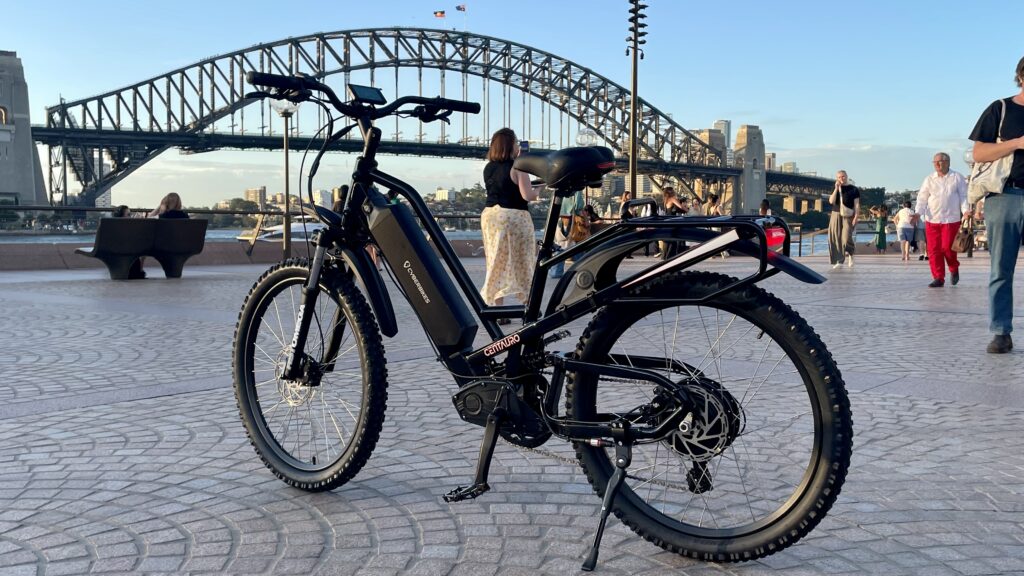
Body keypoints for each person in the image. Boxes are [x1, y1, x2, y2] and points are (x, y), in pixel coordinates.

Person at [968, 55, 1024, 354]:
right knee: (1001, 268)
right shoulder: (1000, 109)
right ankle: (1001, 331)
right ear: (1021, 77)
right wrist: (1016, 143)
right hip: (1005, 196)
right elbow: (978, 153)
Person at [480, 128, 540, 318]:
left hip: (490, 216)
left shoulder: (488, 168)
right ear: (511, 145)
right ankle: (529, 305)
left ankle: (498, 310)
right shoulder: (518, 166)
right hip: (514, 216)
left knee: (496, 261)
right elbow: (528, 195)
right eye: (515, 142)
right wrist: (540, 188)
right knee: (523, 260)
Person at [915, 153, 968, 288]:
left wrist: (966, 211)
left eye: (940, 161)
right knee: (933, 250)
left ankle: (954, 268)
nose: (937, 164)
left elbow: (964, 196)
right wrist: (918, 213)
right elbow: (922, 198)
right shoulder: (929, 179)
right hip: (932, 220)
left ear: (948, 162)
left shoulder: (957, 177)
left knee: (948, 248)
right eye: (935, 162)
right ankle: (938, 277)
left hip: (951, 219)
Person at [827, 170, 859, 269]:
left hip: (848, 215)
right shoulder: (835, 187)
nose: (841, 178)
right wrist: (836, 189)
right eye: (839, 177)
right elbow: (831, 201)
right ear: (837, 178)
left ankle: (851, 253)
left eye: (843, 176)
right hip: (835, 214)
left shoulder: (853, 189)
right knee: (835, 237)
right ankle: (839, 261)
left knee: (846, 237)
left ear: (847, 176)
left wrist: (856, 216)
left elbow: (857, 205)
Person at [112, 205, 145, 279]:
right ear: (121, 217)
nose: (131, 217)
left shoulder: (115, 230)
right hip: (132, 268)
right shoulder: (128, 231)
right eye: (129, 215)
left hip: (119, 264)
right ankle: (140, 269)